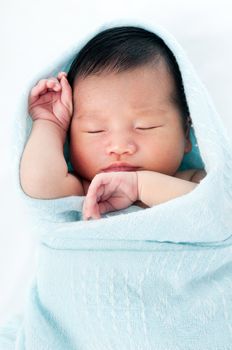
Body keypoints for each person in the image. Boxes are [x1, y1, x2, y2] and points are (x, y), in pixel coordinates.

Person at [19, 26, 206, 220]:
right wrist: (50, 123)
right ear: (69, 139)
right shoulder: (84, 192)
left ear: (185, 133)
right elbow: (40, 183)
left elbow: (218, 209)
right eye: (95, 130)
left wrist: (139, 186)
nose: (119, 147)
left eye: (145, 126)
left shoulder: (196, 182)